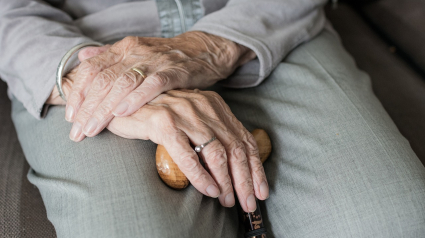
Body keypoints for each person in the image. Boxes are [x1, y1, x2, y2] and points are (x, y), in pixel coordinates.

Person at [1, 0, 424, 237]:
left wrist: (210, 46)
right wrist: (96, 80)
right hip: (79, 46)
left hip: (265, 23)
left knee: (394, 223)